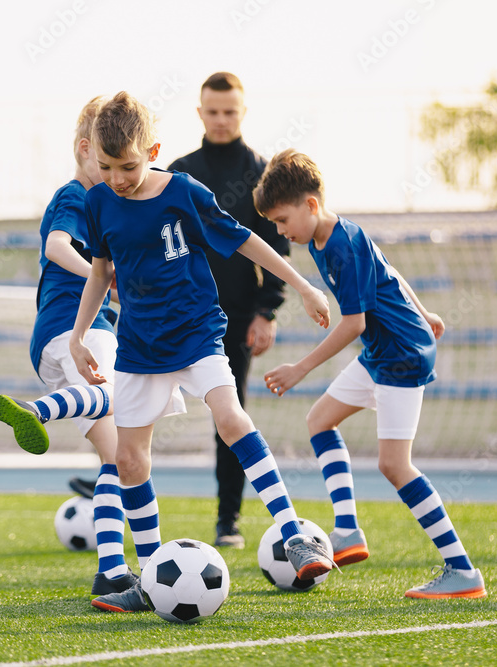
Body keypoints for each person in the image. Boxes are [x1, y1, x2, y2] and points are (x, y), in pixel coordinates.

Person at [70, 92, 335, 613]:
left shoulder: (184, 191)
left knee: (231, 420)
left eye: (127, 165)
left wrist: (303, 286)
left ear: (153, 150)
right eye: (105, 166)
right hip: (140, 345)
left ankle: (292, 534)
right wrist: (80, 336)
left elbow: (244, 240)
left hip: (196, 332)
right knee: (128, 460)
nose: (117, 177)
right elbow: (101, 271)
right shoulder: (98, 200)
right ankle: (149, 582)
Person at [253, 149, 487, 599]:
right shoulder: (327, 237)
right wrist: (423, 310)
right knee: (319, 420)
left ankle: (462, 570)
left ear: (311, 205)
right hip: (385, 351)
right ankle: (348, 531)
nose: (281, 231)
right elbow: (390, 269)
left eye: (283, 221)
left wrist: (301, 367)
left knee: (393, 464)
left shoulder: (341, 243)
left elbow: (354, 323)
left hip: (401, 355)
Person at [0, 97, 135, 599]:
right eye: (108, 159)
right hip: (73, 328)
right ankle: (38, 411)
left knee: (120, 459)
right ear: (83, 149)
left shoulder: (111, 205)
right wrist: (106, 275)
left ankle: (112, 571)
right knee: (115, 398)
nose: (117, 174)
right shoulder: (75, 197)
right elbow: (56, 247)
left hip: (62, 340)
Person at [167, 72, 289, 549]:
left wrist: (267, 311)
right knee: (131, 411)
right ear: (200, 113)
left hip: (234, 320)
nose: (221, 120)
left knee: (229, 420)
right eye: (212, 111)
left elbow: (277, 248)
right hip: (172, 314)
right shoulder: (177, 172)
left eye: (229, 112)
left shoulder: (262, 172)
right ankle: (111, 503)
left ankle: (228, 521)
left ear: (242, 112)